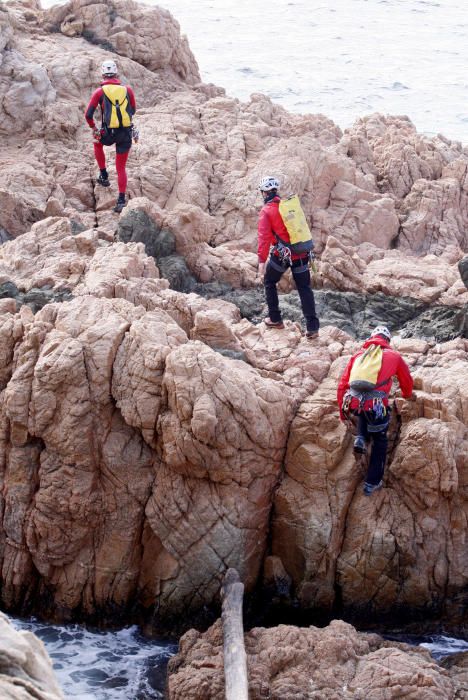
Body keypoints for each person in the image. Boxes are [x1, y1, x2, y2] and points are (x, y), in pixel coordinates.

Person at [337, 325, 414, 495]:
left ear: (371, 338)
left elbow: (343, 384)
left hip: (354, 404)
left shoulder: (358, 355)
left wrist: (342, 412)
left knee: (364, 411)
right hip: (377, 407)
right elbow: (406, 380)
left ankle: (361, 437)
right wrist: (407, 395)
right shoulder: (394, 356)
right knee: (380, 441)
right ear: (387, 341)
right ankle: (372, 482)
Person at [257, 176, 320, 338]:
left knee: (269, 281)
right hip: (301, 253)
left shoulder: (267, 211)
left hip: (282, 255)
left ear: (264, 193)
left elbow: (263, 238)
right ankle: (312, 328)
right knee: (304, 288)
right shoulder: (288, 206)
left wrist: (261, 262)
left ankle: (276, 319)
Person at [85, 60, 137, 213]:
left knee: (97, 143)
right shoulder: (127, 90)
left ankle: (103, 175)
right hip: (125, 133)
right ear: (116, 73)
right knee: (121, 167)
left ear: (102, 75)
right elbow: (132, 110)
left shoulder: (99, 92)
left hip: (108, 133)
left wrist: (94, 128)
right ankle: (121, 200)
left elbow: (88, 115)